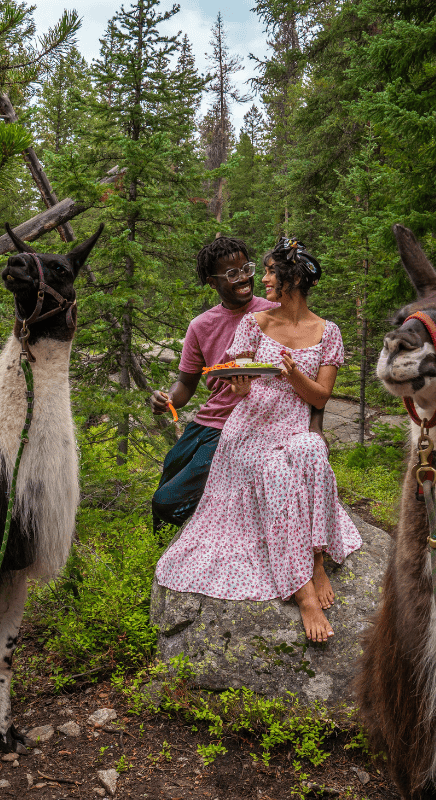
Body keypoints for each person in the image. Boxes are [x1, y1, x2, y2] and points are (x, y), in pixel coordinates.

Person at [155, 238, 362, 642]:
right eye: (256, 270)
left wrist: (291, 373)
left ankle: (317, 560)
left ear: (293, 279)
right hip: (243, 425)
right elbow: (234, 389)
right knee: (263, 475)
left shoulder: (326, 331)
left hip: (292, 423)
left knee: (312, 451)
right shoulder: (246, 324)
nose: (260, 278)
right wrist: (240, 381)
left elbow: (319, 397)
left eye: (266, 271)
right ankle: (302, 592)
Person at [149, 237, 278, 533]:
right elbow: (184, 386)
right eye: (232, 274)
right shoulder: (201, 325)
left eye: (246, 268)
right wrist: (166, 399)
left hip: (246, 422)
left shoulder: (274, 311)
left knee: (168, 501)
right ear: (212, 282)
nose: (244, 278)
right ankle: (167, 544)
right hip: (209, 421)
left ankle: (217, 523)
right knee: (171, 467)